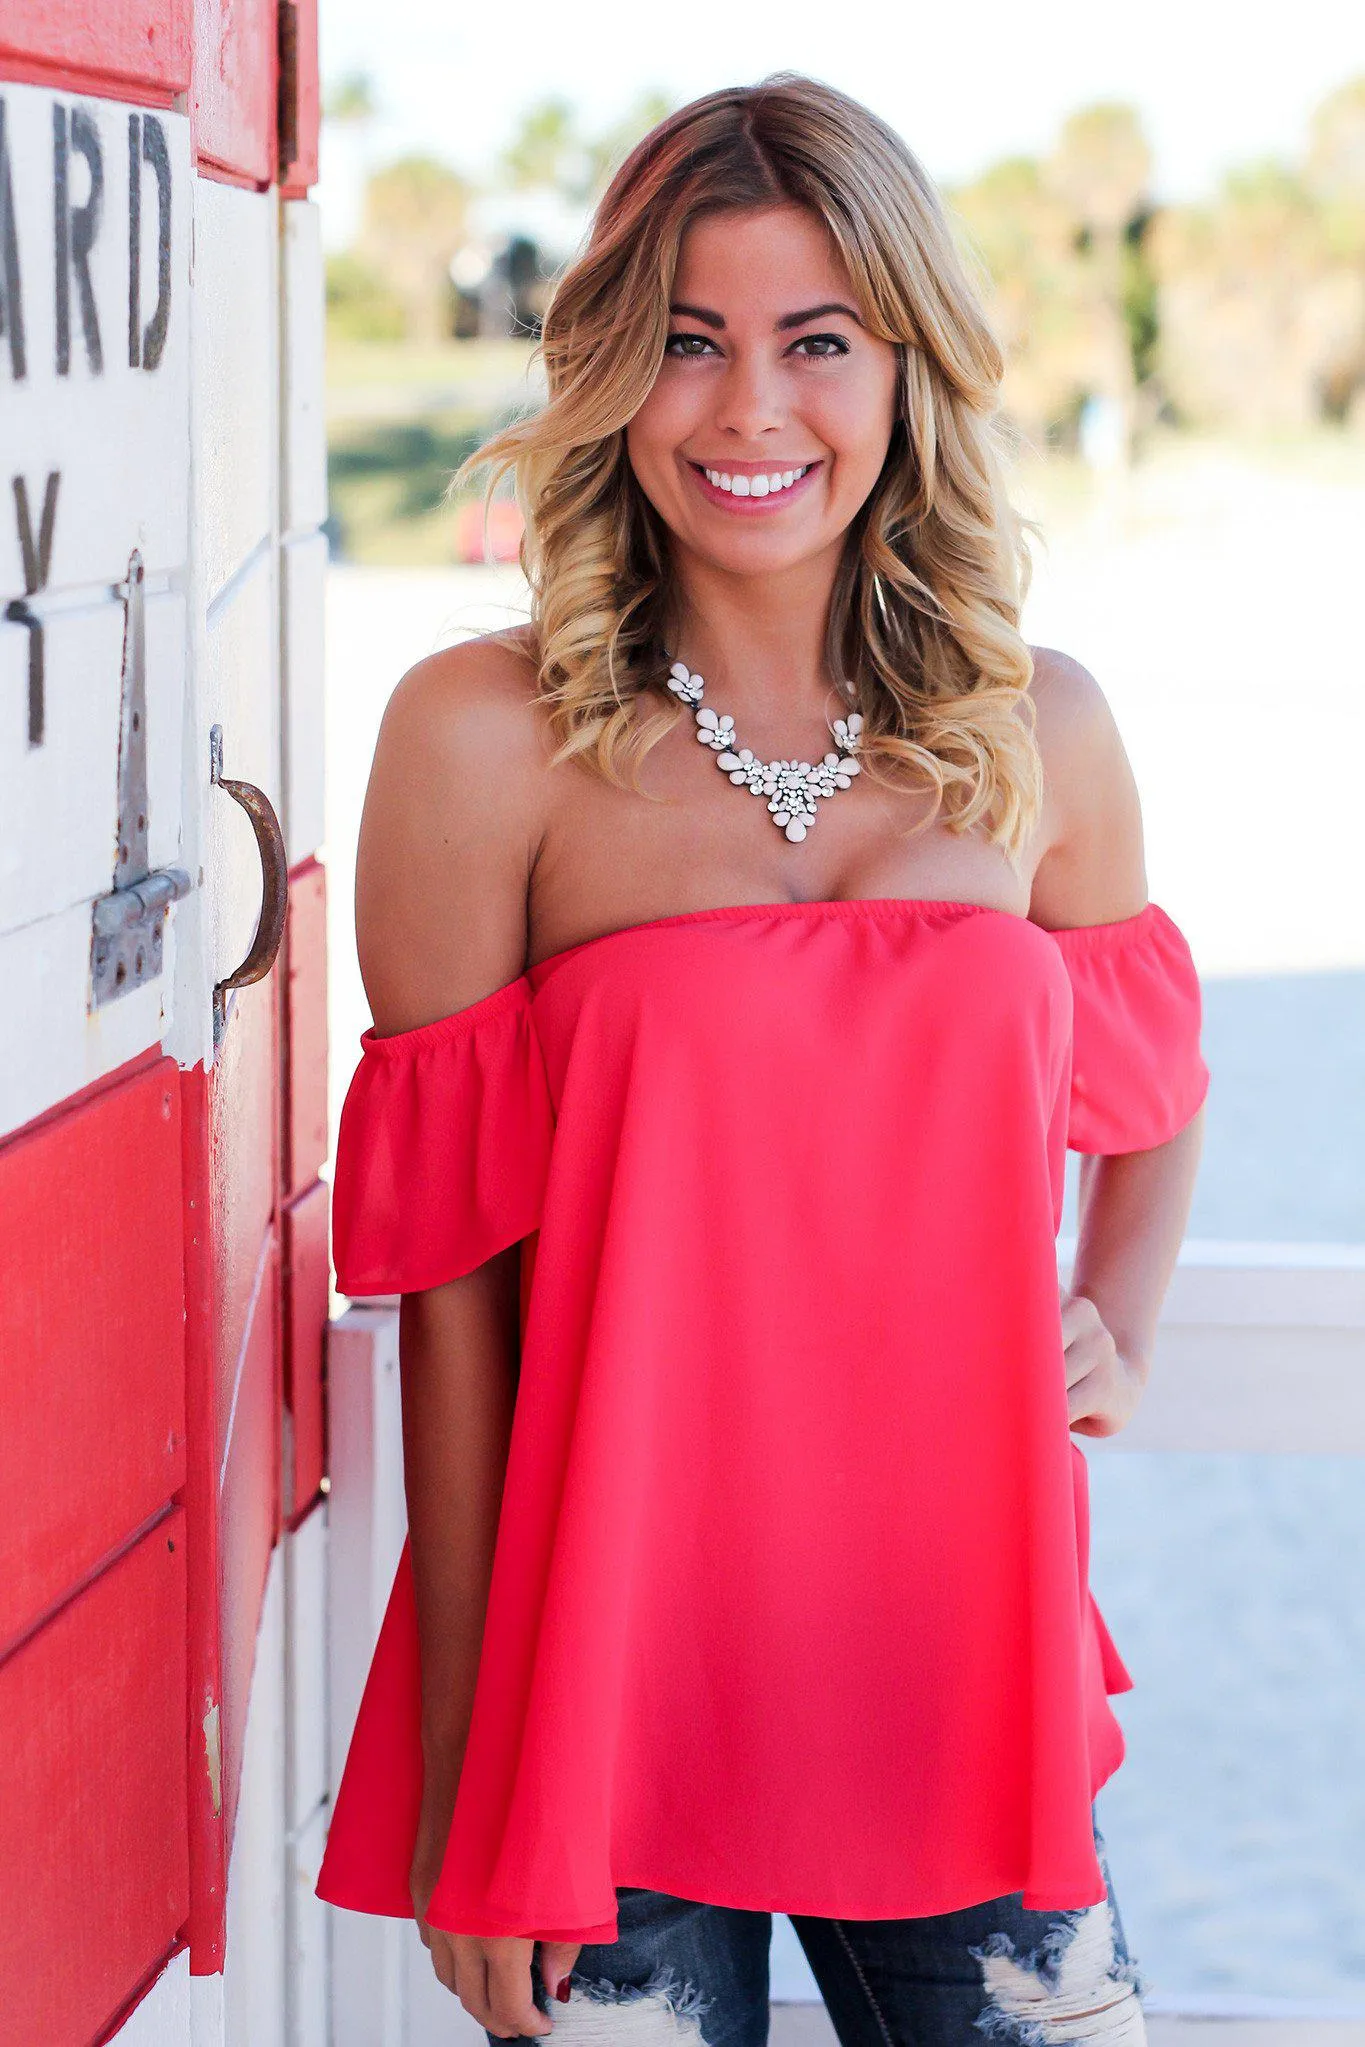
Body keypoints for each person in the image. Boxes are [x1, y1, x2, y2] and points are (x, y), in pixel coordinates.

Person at [315, 76, 1208, 2047]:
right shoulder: (481, 740)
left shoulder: (1037, 728)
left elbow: (1152, 1081)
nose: (747, 412)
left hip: (957, 1664)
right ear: (609, 370)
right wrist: (475, 1765)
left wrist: (1111, 1322)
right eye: (687, 345)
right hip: (603, 1688)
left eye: (815, 344)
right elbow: (452, 1294)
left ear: (903, 368)